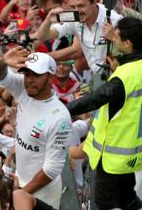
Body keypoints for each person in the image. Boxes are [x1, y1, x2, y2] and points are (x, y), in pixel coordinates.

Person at [67, 17, 142, 210]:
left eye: (116, 37)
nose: (112, 40)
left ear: (128, 43)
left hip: (112, 153)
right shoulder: (133, 67)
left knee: (104, 202)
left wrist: (65, 109)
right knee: (127, 198)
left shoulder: (124, 76)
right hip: (131, 149)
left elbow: (96, 99)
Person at [0, 48, 72, 209]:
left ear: (50, 77)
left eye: (36, 75)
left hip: (43, 192)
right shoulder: (24, 89)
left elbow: (51, 170)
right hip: (20, 181)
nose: (29, 80)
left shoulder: (59, 117)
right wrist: (3, 61)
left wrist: (20, 194)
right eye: (27, 74)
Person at [35, 0, 122, 75]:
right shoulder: (73, 17)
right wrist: (48, 20)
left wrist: (114, 38)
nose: (77, 11)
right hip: (96, 77)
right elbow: (43, 36)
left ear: (94, 2)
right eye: (73, 7)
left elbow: (134, 52)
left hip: (119, 76)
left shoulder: (114, 20)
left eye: (81, 6)